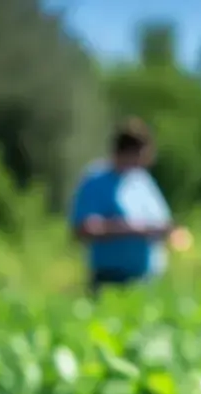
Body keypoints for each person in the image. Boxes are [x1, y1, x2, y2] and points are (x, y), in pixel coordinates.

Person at [69, 118, 189, 296]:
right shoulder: (95, 180)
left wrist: (171, 232)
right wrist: (132, 229)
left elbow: (164, 221)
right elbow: (84, 229)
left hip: (147, 279)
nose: (148, 160)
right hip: (110, 280)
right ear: (130, 151)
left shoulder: (142, 181)